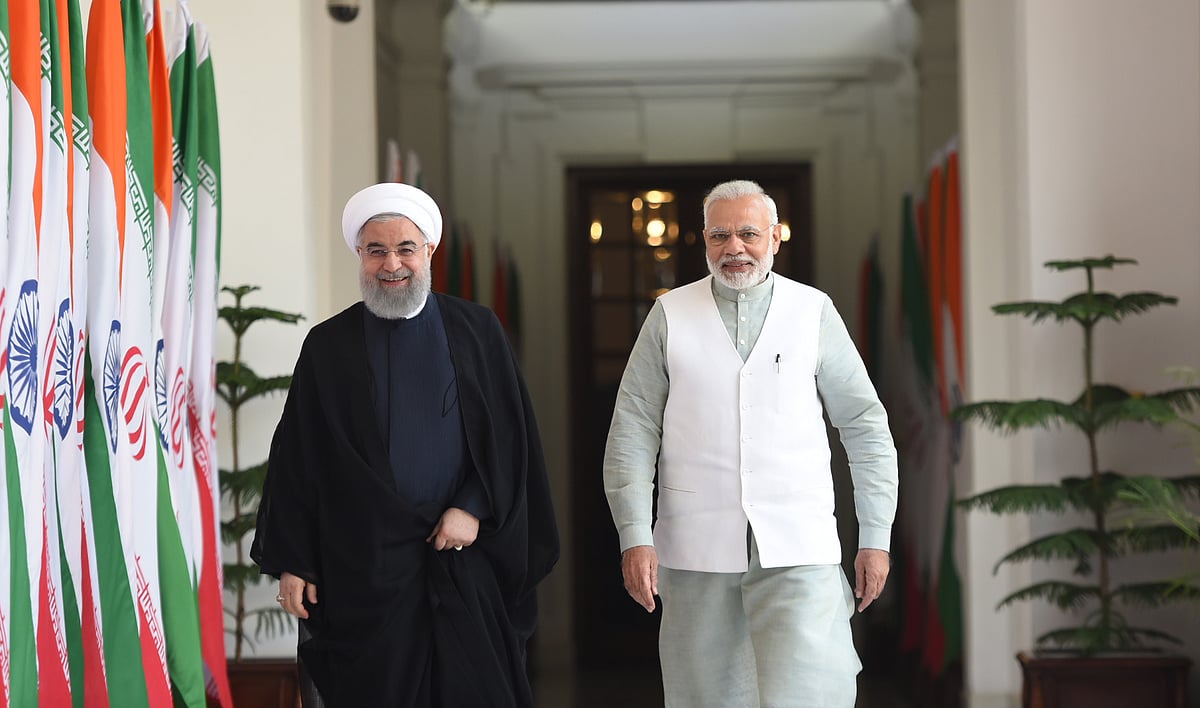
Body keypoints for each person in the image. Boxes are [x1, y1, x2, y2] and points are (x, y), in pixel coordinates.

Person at [251, 182, 559, 708]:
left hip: (460, 560)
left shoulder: (478, 331)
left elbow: (511, 440)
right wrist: (294, 561)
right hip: (364, 572)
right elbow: (299, 460)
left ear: (429, 251)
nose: (391, 264)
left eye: (405, 249)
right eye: (376, 251)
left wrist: (473, 506)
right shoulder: (328, 346)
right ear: (360, 254)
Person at [602, 179, 898, 708]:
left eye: (748, 234)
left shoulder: (813, 311)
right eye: (720, 235)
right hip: (694, 549)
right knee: (704, 698)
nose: (734, 247)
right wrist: (634, 534)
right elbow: (632, 430)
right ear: (704, 240)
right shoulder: (669, 315)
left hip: (800, 545)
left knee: (813, 695)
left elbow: (865, 425)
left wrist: (876, 536)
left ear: (775, 237)